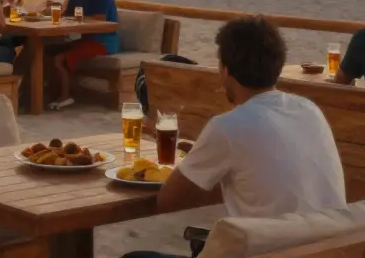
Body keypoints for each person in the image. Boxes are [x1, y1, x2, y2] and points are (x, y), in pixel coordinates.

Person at [123, 17, 345, 258]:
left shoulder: (228, 127)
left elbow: (167, 201)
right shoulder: (309, 110)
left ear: (226, 70)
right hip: (327, 250)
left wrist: (202, 165)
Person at [48, 0, 119, 111]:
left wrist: (75, 18)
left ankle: (66, 96)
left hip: (103, 41)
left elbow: (101, 19)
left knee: (61, 58)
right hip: (85, 38)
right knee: (48, 50)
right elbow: (69, 13)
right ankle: (47, 92)